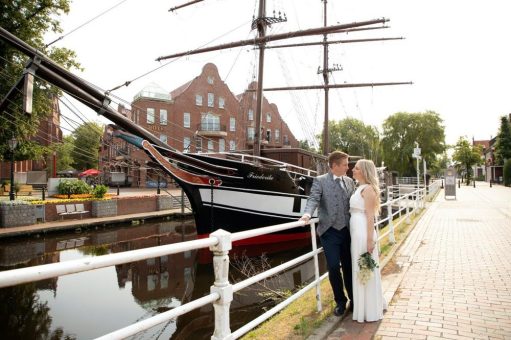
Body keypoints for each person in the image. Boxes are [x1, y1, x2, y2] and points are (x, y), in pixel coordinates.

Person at [300, 151, 355, 317]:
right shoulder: (320, 181)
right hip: (329, 232)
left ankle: (353, 299)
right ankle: (340, 301)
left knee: (348, 266)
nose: (348, 167)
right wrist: (307, 214)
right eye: (345, 164)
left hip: (347, 231)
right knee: (332, 266)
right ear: (335, 165)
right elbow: (313, 199)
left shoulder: (350, 182)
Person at [349, 159, 387, 322]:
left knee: (365, 269)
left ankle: (369, 309)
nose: (352, 170)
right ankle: (362, 307)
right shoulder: (359, 188)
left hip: (363, 234)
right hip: (356, 231)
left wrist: (370, 240)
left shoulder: (369, 189)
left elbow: (370, 216)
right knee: (360, 269)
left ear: (364, 171)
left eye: (356, 168)